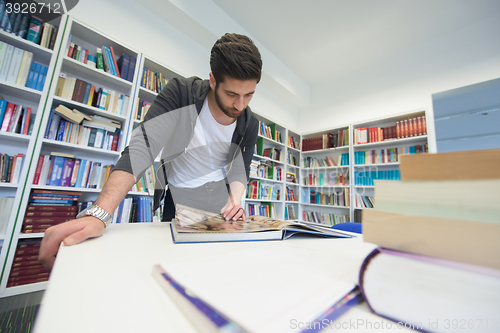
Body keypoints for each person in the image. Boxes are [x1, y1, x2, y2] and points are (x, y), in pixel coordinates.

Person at [39, 33, 263, 271]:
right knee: (176, 266)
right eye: (232, 94)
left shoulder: (250, 123)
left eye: (248, 95)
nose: (240, 105)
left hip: (220, 203)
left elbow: (241, 169)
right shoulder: (181, 93)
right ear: (213, 80)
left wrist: (234, 199)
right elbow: (144, 146)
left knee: (215, 267)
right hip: (179, 199)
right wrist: (99, 213)